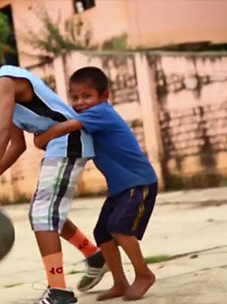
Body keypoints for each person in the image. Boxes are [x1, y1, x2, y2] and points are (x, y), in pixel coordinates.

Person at [0, 31, 107, 303]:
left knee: (43, 214)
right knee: (46, 212)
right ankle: (94, 256)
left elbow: (0, 131)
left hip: (68, 140)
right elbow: (16, 145)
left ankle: (58, 291)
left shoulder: (4, 81)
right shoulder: (3, 88)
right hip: (61, 143)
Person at [34, 67, 158, 301]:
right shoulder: (90, 119)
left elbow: (67, 127)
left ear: (104, 96)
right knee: (102, 234)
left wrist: (43, 137)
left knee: (119, 228)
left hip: (139, 182)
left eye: (86, 96)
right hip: (121, 188)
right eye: (75, 97)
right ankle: (119, 282)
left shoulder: (100, 113)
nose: (80, 103)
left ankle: (143, 274)